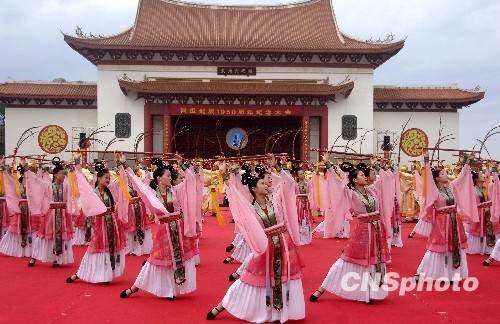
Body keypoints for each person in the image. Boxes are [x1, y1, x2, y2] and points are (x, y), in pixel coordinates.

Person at [206, 155, 305, 322]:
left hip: (284, 243)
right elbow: (235, 197)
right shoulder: (251, 208)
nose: (266, 185)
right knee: (249, 278)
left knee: (283, 278)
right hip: (266, 246)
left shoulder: (275, 199)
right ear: (253, 189)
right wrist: (225, 176)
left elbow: (289, 184)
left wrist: (278, 168)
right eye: (262, 183)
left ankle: (280, 313)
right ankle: (223, 305)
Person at [309, 154, 390, 304]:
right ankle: (323, 287)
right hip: (364, 230)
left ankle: (370, 292)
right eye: (361, 175)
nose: (365, 177)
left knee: (375, 260)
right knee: (347, 260)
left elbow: (386, 181)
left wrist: (375, 165)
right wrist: (328, 164)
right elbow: (336, 184)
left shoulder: (372, 190)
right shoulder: (351, 193)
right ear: (354, 179)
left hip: (377, 229)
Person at [119, 155, 199, 300]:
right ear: (159, 179)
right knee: (155, 261)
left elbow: (190, 180)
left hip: (179, 229)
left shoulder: (175, 190)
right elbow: (136, 183)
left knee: (179, 259)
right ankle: (134, 287)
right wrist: (124, 165)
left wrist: (184, 165)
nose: (170, 178)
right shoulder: (152, 194)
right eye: (167, 175)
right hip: (165, 231)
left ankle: (172, 289)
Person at [413, 151, 478, 282]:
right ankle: (421, 271)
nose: (446, 174)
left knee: (455, 246)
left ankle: (450, 274)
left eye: (445, 173)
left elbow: (462, 176)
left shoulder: (451, 187)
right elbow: (429, 179)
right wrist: (425, 159)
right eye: (442, 173)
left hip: (454, 220)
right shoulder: (434, 191)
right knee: (436, 248)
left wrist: (468, 162)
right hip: (442, 223)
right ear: (437, 178)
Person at [66, 157, 126, 284]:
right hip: (99, 224)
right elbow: (80, 181)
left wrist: (121, 164)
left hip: (111, 222)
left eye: (109, 178)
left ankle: (106, 274)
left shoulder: (112, 189)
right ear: (98, 178)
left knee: (109, 248)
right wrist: (77, 165)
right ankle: (80, 273)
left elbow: (122, 180)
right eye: (106, 178)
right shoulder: (92, 192)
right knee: (95, 249)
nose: (109, 180)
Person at [27, 158, 76, 268]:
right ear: (55, 174)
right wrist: (26, 168)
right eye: (62, 174)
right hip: (51, 214)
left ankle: (56, 259)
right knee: (44, 236)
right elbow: (35, 181)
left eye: (64, 174)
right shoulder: (48, 186)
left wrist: (72, 166)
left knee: (60, 236)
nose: (64, 176)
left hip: (63, 214)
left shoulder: (67, 186)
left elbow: (74, 181)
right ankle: (33, 257)